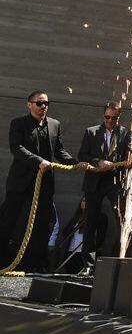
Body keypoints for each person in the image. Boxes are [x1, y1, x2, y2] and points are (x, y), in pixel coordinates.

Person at [0, 91, 87, 271]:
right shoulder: (18, 123)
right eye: (39, 103)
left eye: (46, 103)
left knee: (41, 225)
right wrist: (38, 161)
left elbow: (59, 150)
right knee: (8, 220)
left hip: (45, 183)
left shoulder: (54, 124)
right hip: (20, 182)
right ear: (29, 105)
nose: (43, 107)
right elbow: (17, 148)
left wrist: (75, 163)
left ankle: (35, 265)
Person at [77, 102, 132, 272]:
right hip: (95, 181)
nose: (110, 121)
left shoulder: (126, 133)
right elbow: (82, 155)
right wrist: (98, 162)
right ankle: (88, 264)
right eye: (107, 117)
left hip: (115, 181)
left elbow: (129, 155)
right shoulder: (91, 132)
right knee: (90, 222)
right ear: (103, 116)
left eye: (114, 118)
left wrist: (127, 160)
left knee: (122, 219)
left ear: (118, 117)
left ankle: (122, 259)